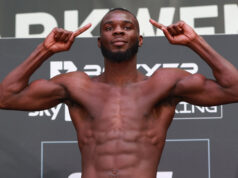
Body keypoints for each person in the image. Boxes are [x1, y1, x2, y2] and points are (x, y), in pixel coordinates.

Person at [1, 7, 238, 178]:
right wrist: (45, 50)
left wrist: (195, 41)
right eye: (109, 27)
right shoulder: (77, 86)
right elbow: (6, 97)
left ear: (140, 40)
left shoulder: (164, 83)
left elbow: (233, 89)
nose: (118, 31)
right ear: (99, 41)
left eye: (127, 27)